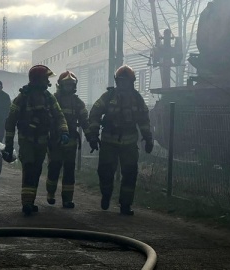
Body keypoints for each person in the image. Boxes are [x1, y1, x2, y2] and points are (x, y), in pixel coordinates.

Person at [3, 65, 69, 216]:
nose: (47, 81)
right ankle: (27, 203)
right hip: (27, 140)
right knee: (29, 167)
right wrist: (8, 144)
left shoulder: (48, 97)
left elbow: (59, 115)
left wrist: (64, 131)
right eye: (45, 78)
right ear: (38, 79)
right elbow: (10, 122)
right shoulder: (22, 98)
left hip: (42, 140)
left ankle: (30, 201)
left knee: (37, 169)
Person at [88, 65, 153, 215]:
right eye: (121, 81)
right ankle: (106, 195)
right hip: (108, 142)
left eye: (127, 81)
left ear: (132, 82)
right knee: (105, 172)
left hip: (129, 143)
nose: (124, 84)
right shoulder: (108, 96)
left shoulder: (137, 99)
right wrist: (93, 134)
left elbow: (144, 119)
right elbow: (95, 113)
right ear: (117, 82)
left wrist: (148, 137)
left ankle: (125, 205)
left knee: (130, 174)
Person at [46, 71, 91, 209]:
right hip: (55, 140)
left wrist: (91, 137)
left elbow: (85, 121)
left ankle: (67, 199)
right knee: (54, 167)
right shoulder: (53, 100)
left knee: (69, 170)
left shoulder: (78, 103)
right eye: (66, 85)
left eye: (71, 85)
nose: (68, 88)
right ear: (60, 85)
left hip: (71, 140)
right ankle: (51, 193)